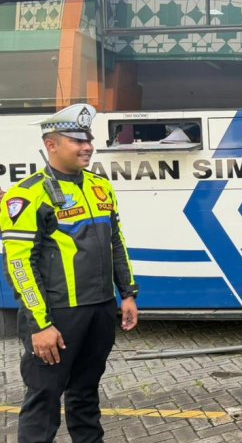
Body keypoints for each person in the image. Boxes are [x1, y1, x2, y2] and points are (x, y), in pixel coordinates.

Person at [0, 103, 139, 443]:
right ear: (51, 144)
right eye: (76, 139)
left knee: (86, 394)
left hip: (101, 309)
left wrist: (128, 293)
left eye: (88, 138)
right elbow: (19, 265)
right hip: (57, 316)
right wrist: (40, 325)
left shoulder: (99, 186)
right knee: (43, 400)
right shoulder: (26, 195)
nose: (87, 146)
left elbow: (115, 241)